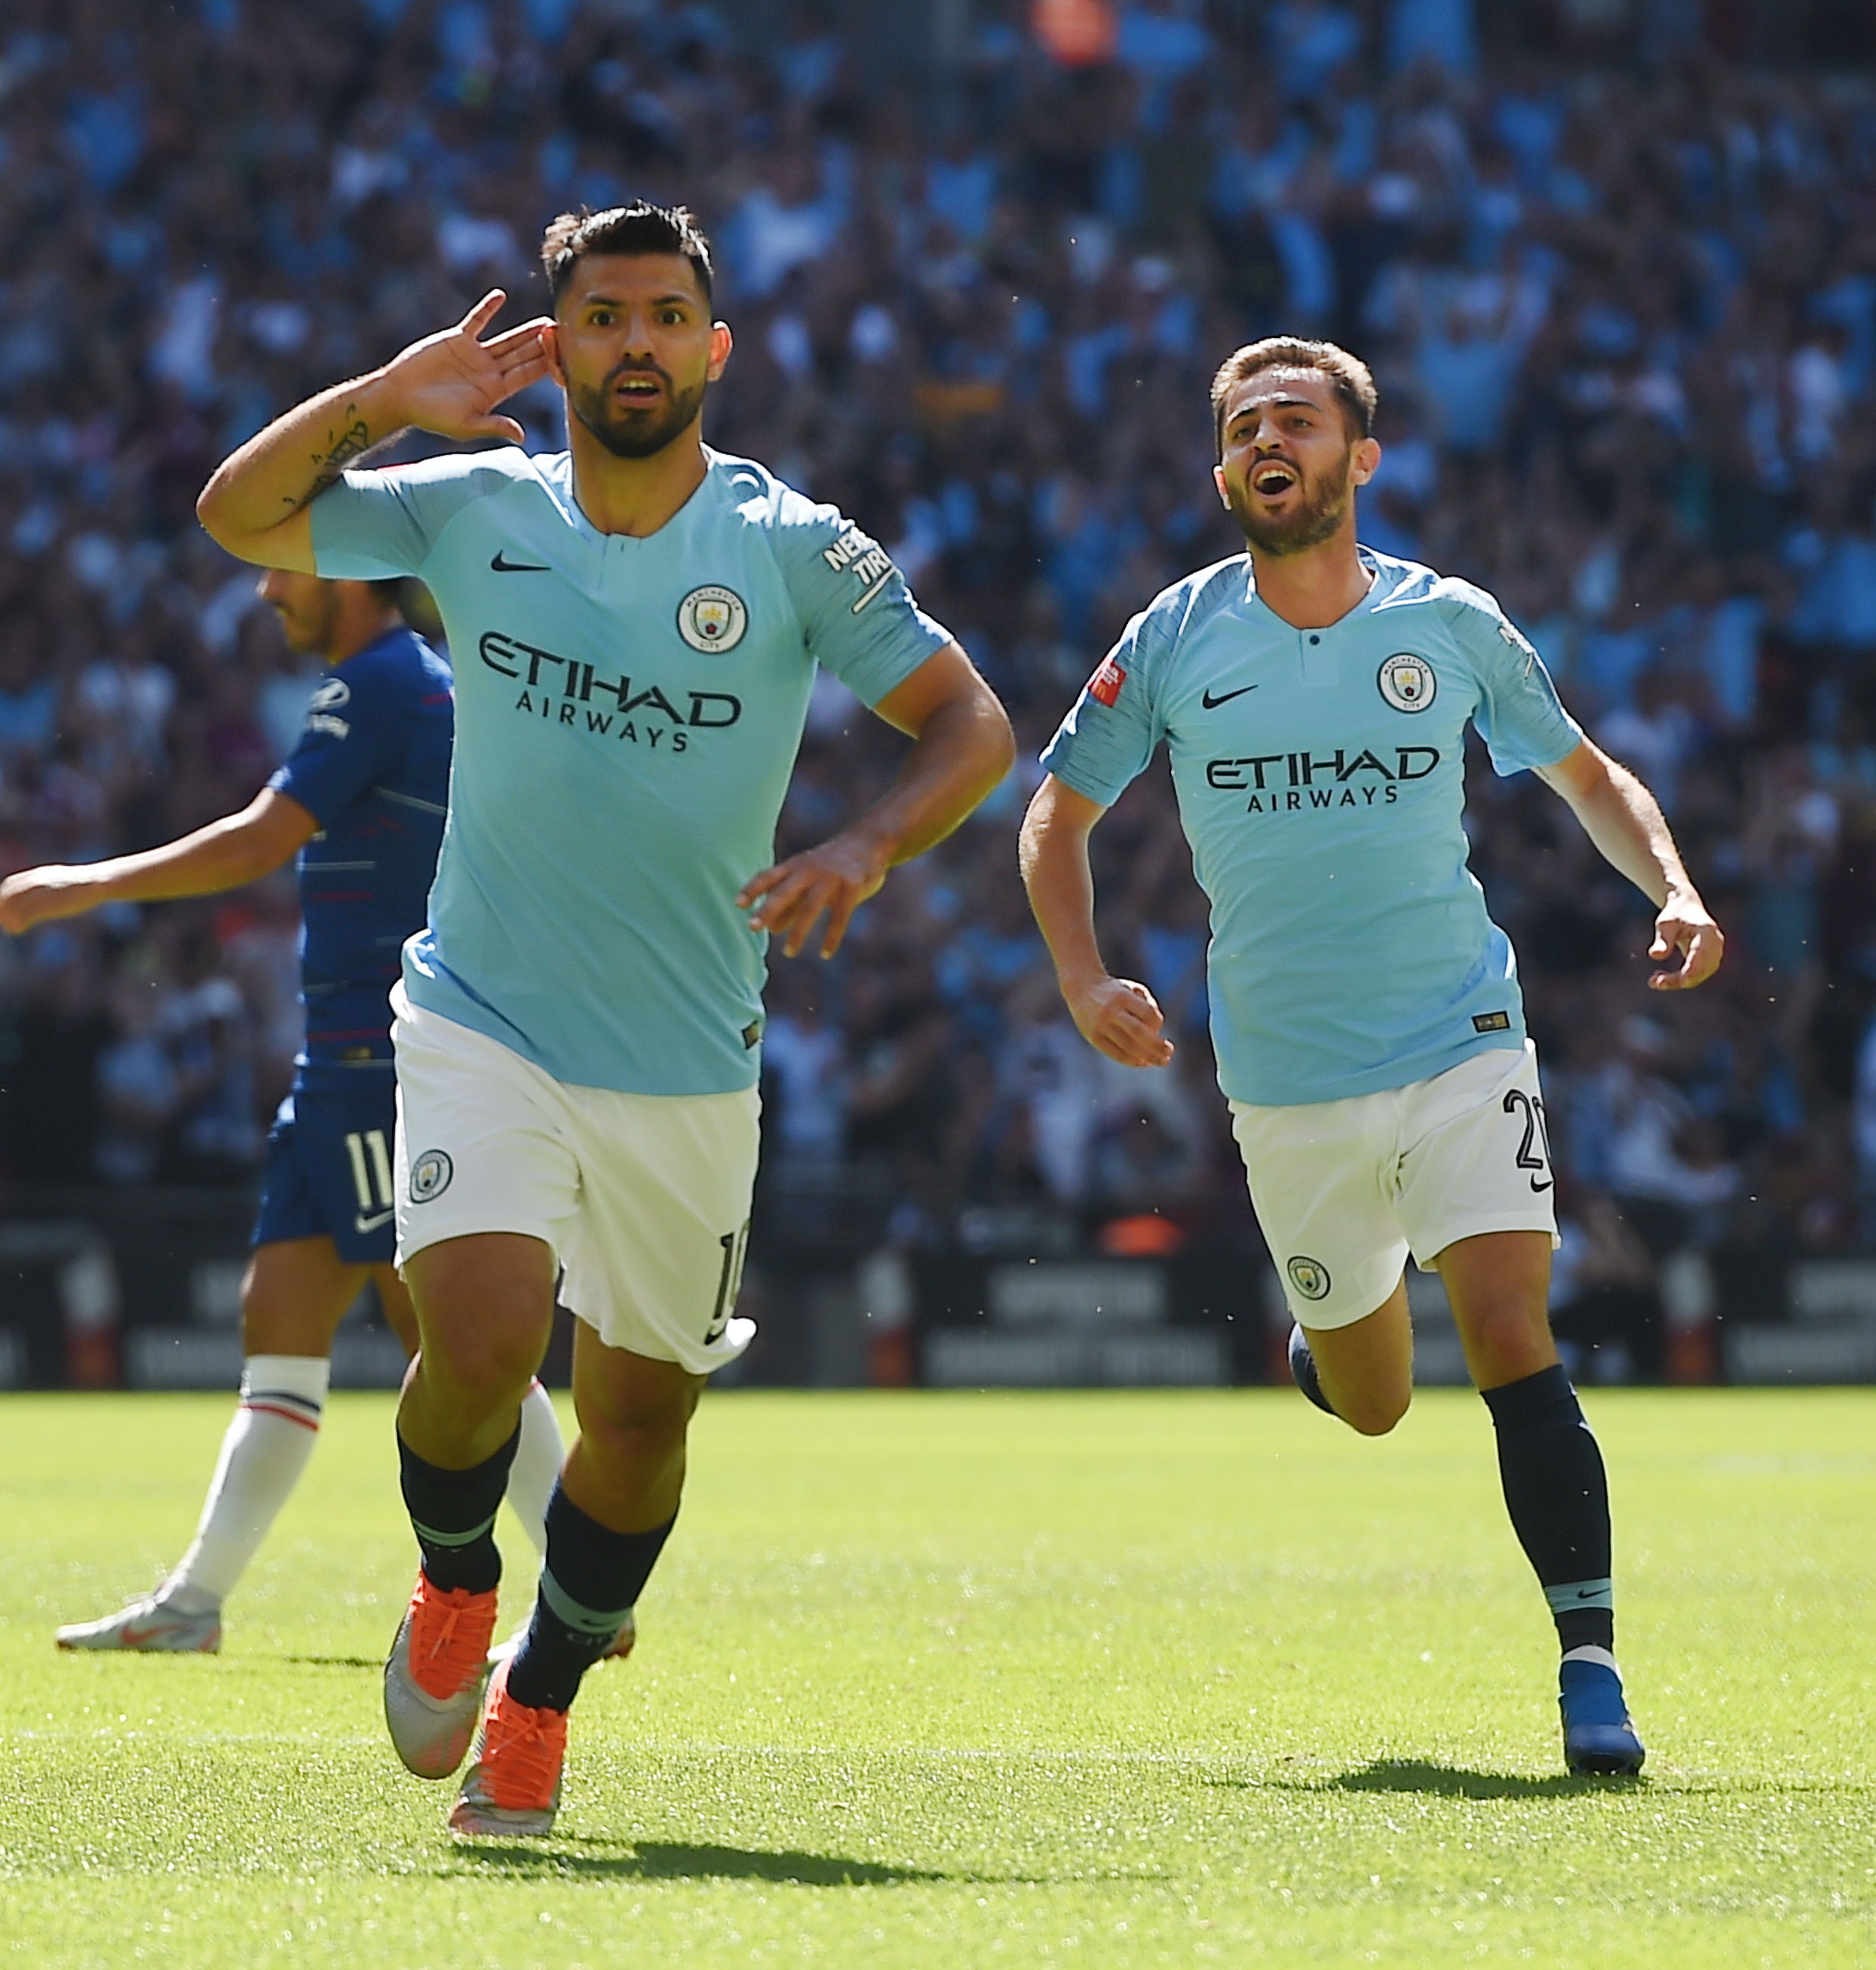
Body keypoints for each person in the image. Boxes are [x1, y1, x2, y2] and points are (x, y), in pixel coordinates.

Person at [196, 203, 1014, 1835]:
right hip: (480, 1013)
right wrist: (379, 395)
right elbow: (239, 518)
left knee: (642, 1415)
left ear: (713, 349)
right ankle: (449, 1581)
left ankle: (542, 1692)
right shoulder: (470, 507)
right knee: (480, 1347)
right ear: (556, 345)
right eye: (602, 315)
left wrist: (863, 841)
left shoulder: (792, 546)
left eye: (662, 315)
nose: (633, 341)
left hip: (689, 1059)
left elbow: (970, 722)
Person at [1020, 337, 1726, 1778]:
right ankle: (1327, 1351)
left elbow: (1587, 774)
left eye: (1295, 419)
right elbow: (1055, 813)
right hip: (1286, 1076)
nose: (1264, 441)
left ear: (1360, 458)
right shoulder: (1169, 637)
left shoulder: (1450, 624)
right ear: (1220, 470)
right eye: (1240, 428)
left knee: (1512, 1332)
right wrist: (1083, 975)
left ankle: (1589, 1670)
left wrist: (1674, 885)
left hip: (1462, 1031)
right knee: (1376, 1398)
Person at [0, 568, 572, 1654]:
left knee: (444, 1339)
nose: (267, 590)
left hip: (377, 1055)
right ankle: (195, 1603)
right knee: (280, 1316)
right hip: (335, 1063)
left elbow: (264, 838)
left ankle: (583, 1592)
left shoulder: (381, 682)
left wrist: (82, 887)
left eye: (287, 564)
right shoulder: (399, 680)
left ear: (351, 574)